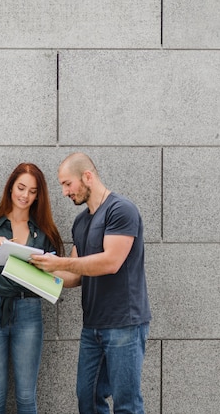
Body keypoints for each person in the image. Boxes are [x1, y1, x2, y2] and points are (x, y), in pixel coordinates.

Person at [30, 152, 152, 414]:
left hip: (124, 324)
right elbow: (75, 276)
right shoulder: (81, 221)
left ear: (88, 176)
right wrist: (33, 269)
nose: (64, 192)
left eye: (67, 183)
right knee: (88, 398)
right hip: (93, 326)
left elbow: (111, 262)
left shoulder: (121, 209)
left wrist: (59, 263)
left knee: (126, 404)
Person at [0, 163, 64, 414]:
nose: (25, 195)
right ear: (10, 187)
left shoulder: (45, 232)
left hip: (29, 310)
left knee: (25, 396)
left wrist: (43, 267)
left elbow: (58, 276)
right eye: (21, 188)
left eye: (32, 191)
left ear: (38, 195)